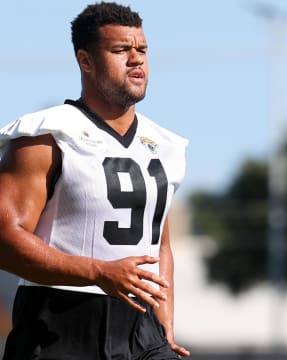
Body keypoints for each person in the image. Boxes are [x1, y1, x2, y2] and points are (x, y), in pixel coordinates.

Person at [0, 2, 190, 359]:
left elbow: (159, 243)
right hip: (60, 325)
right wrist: (97, 272)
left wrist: (164, 320)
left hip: (142, 331)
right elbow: (4, 237)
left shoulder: (165, 144)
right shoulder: (46, 135)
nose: (136, 59)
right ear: (86, 61)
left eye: (142, 50)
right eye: (121, 50)